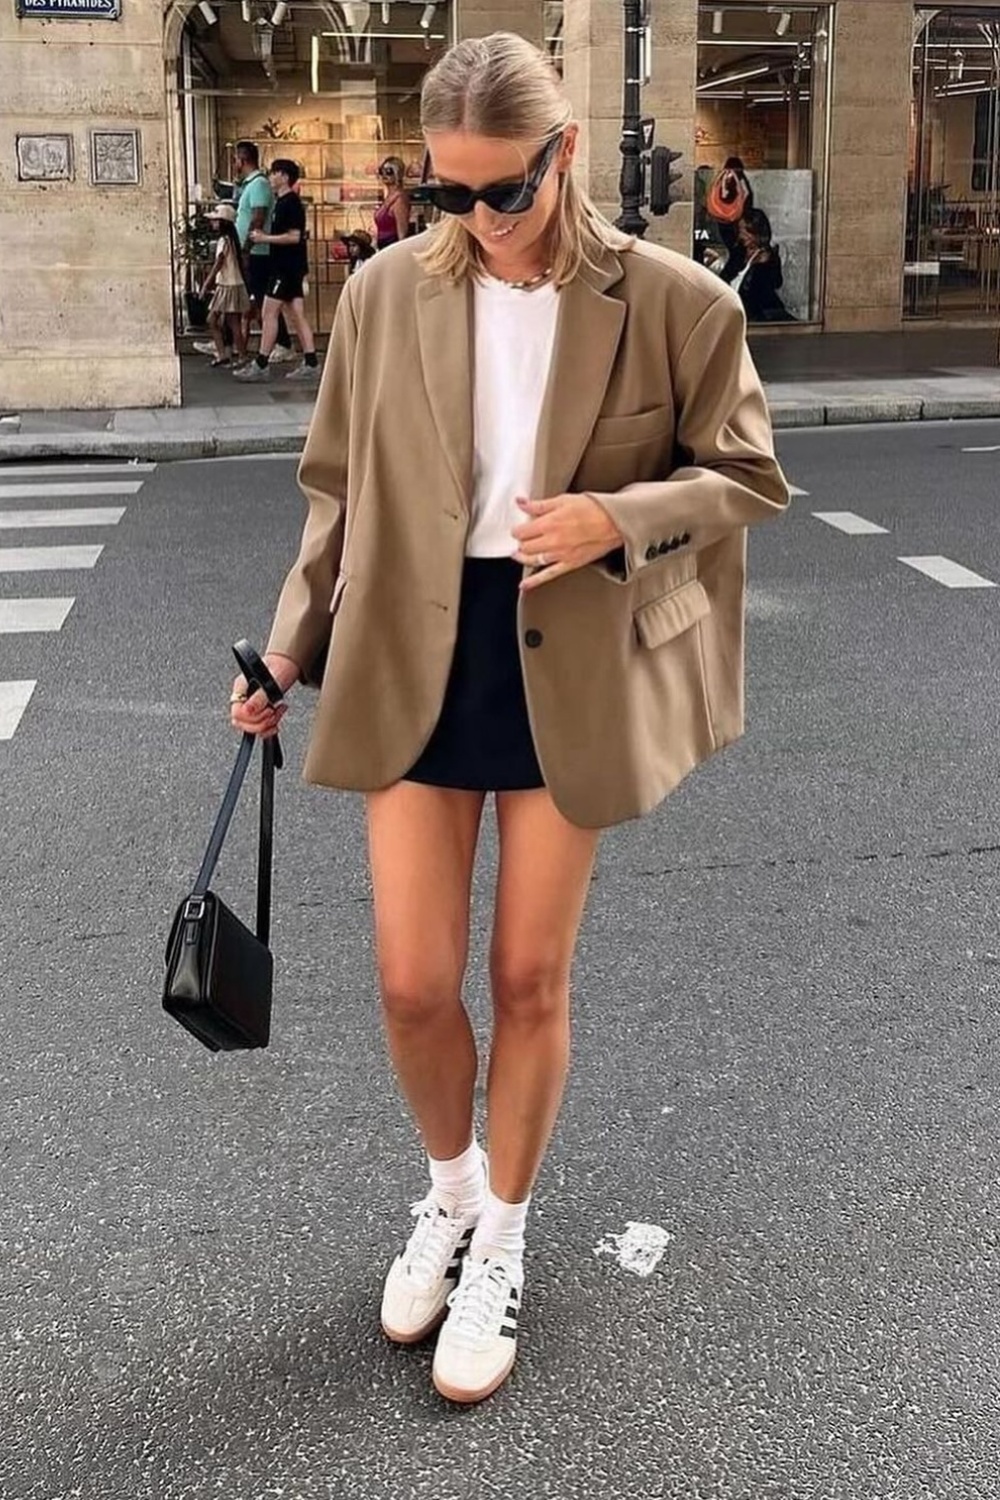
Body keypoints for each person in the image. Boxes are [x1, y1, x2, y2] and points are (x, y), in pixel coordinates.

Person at [230, 32, 788, 1405]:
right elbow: (337, 490)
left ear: (565, 156)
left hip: (572, 653)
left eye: (504, 193)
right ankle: (452, 1191)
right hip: (412, 644)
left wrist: (621, 516)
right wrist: (287, 650)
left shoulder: (672, 302)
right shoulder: (380, 297)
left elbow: (747, 475)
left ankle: (511, 1240)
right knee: (414, 982)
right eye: (448, 194)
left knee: (528, 978)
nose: (476, 221)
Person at [234, 159, 319, 384]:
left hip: (286, 268)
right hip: (289, 266)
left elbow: (294, 236)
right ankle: (311, 361)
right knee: (296, 314)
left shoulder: (289, 203)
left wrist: (264, 238)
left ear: (284, 176)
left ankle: (261, 363)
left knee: (268, 312)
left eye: (274, 173)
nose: (270, 177)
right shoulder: (281, 202)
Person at [233, 139, 295, 365]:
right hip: (253, 250)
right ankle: (240, 340)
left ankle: (282, 343)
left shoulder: (258, 185)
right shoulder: (250, 184)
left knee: (264, 299)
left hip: (259, 251)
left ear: (242, 159)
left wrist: (248, 247)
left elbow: (258, 216)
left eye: (236, 159)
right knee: (256, 299)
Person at [198, 204, 250, 367]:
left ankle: (229, 355)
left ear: (223, 222)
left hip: (227, 285)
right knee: (231, 322)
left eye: (215, 220)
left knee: (215, 320)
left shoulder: (223, 241)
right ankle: (234, 355)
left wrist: (207, 283)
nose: (213, 223)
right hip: (232, 283)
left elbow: (219, 262)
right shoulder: (232, 240)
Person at [726, 208, 794, 323]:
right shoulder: (739, 255)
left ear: (757, 232)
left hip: (758, 319)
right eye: (740, 230)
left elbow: (772, 285)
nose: (742, 235)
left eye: (746, 231)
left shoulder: (767, 259)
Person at [373, 156, 412, 249]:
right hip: (383, 248)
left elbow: (402, 234)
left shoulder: (399, 199)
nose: (384, 175)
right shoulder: (388, 197)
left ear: (397, 173)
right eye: (382, 171)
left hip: (392, 248)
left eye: (389, 171)